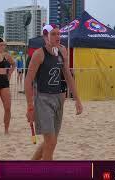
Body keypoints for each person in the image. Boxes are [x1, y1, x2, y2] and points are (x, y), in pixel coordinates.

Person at [25, 25, 83, 160]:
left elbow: (68, 76)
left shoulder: (62, 51)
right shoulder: (39, 54)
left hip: (58, 99)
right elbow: (28, 82)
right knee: (50, 142)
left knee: (51, 142)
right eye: (54, 34)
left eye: (59, 34)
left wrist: (77, 100)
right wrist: (30, 106)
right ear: (46, 37)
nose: (58, 37)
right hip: (43, 99)